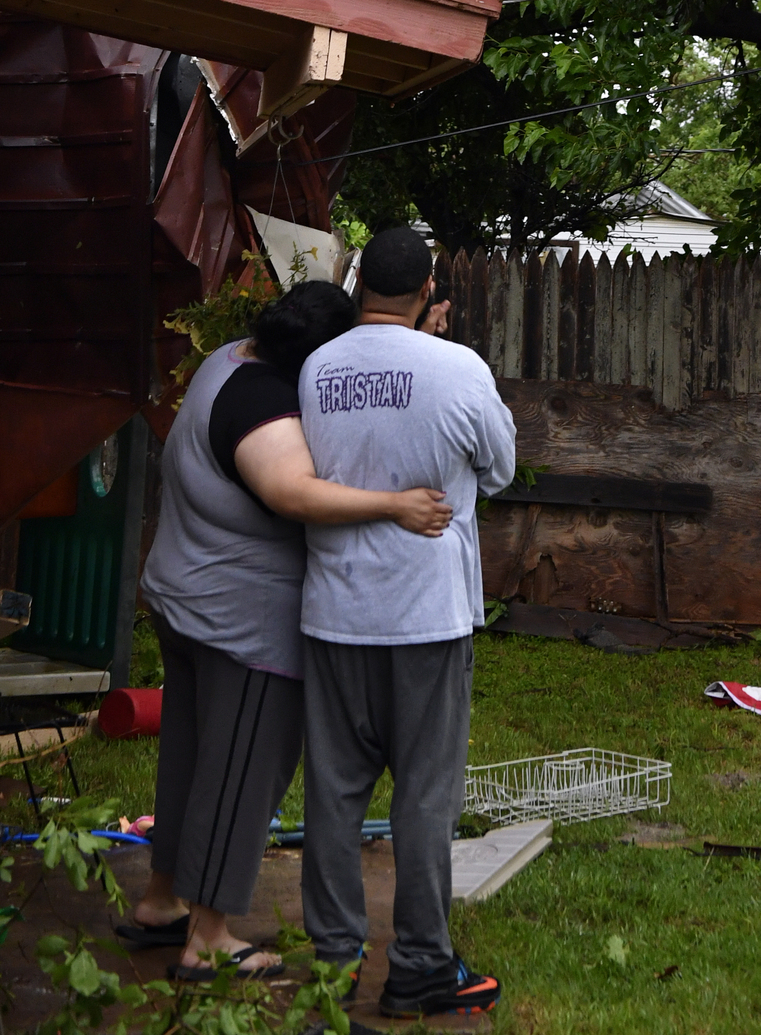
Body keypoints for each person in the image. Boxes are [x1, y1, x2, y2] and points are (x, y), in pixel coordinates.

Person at [121, 279, 454, 982]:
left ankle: (160, 902)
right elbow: (290, 492)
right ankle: (208, 936)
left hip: (185, 598)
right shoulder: (262, 405)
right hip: (242, 623)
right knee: (241, 771)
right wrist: (394, 505)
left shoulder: (227, 361)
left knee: (188, 760)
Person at [298, 227, 516, 1019]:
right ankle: (421, 963)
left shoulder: (316, 369)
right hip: (424, 614)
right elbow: (498, 468)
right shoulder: (457, 368)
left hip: (331, 611)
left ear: (361, 285)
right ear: (429, 289)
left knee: (333, 792)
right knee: (424, 799)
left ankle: (333, 960)